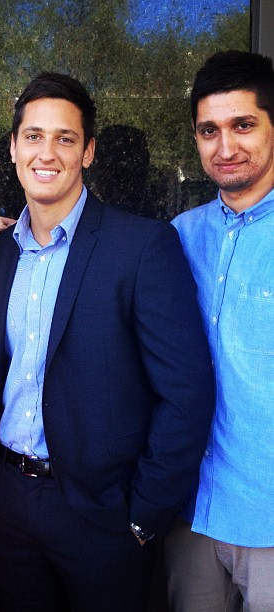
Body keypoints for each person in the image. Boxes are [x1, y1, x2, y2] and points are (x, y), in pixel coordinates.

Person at [0, 71, 214, 611]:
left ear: (88, 152)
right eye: (33, 136)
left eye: (65, 138)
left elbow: (186, 392)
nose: (47, 153)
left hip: (104, 515)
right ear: (13, 148)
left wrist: (144, 513)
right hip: (5, 500)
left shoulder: (143, 246)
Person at [164, 50, 274, 612]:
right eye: (209, 130)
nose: (225, 146)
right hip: (191, 511)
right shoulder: (179, 236)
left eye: (243, 125)